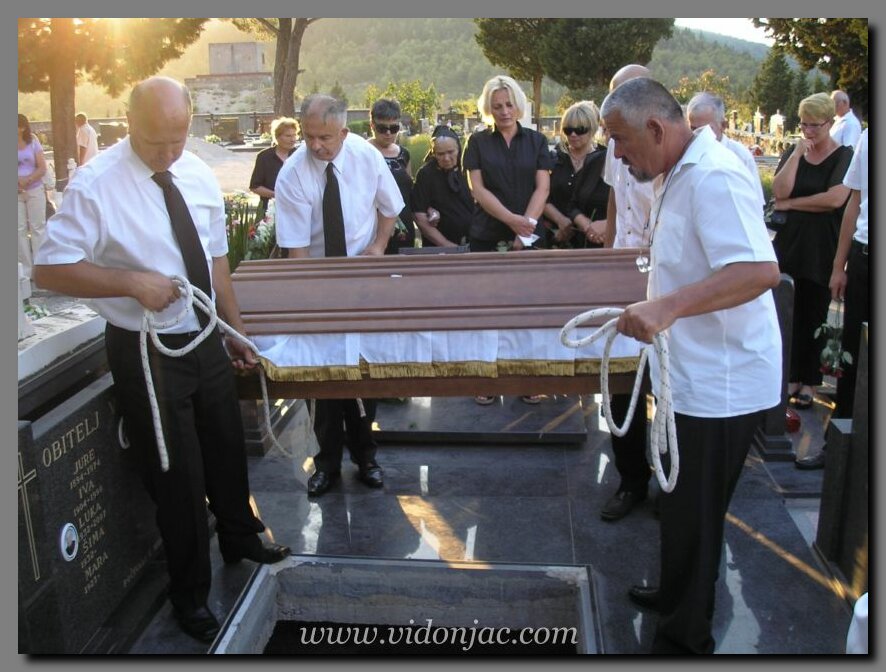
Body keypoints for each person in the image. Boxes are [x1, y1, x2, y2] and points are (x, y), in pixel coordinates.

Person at [33, 76, 290, 644]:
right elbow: (49, 268)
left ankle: (240, 535)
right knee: (178, 475)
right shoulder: (96, 184)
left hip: (205, 335)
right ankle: (190, 592)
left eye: (178, 139)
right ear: (129, 122)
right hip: (147, 348)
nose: (169, 153)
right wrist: (130, 282)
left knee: (225, 444)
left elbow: (216, 260)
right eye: (156, 143)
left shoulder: (194, 171)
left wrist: (235, 331)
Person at [601, 77, 782, 654]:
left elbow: (759, 271)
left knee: (695, 517)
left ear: (656, 128)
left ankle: (684, 640)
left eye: (621, 140)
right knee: (679, 507)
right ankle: (678, 594)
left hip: (720, 382)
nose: (617, 154)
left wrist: (667, 307)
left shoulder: (715, 175)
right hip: (687, 371)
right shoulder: (674, 172)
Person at [274, 94, 404, 497]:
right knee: (322, 377)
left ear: (344, 132)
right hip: (315, 281)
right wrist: (312, 305)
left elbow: (390, 207)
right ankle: (326, 463)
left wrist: (379, 247)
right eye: (309, 136)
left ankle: (367, 457)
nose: (315, 146)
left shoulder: (366, 157)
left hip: (362, 279)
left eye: (325, 138)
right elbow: (297, 252)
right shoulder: (292, 174)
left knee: (364, 373)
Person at [463, 74, 553, 406]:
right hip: (488, 235)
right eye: (497, 106)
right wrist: (512, 221)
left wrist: (525, 227)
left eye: (508, 104)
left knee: (529, 310)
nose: (503, 111)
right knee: (487, 311)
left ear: (518, 105)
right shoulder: (477, 143)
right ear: (488, 108)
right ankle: (487, 379)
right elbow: (477, 189)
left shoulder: (537, 141)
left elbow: (543, 188)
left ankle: (528, 379)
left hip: (529, 236)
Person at [598, 64, 655, 522]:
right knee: (621, 384)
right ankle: (631, 479)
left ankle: (670, 480)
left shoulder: (663, 149)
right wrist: (608, 255)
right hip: (621, 269)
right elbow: (615, 197)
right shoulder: (616, 146)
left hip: (661, 275)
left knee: (667, 387)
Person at [771, 93, 853, 412]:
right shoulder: (795, 151)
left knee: (814, 312)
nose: (808, 131)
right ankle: (790, 375)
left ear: (829, 123)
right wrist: (796, 155)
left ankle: (809, 380)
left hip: (821, 247)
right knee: (788, 311)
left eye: (814, 126)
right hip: (790, 244)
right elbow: (779, 190)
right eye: (804, 124)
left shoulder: (843, 156)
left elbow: (834, 199)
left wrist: (792, 204)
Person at [797, 127, 868, 470]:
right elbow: (855, 201)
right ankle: (838, 448)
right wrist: (839, 265)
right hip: (866, 254)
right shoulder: (869, 137)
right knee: (854, 357)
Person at [543, 101, 608, 249]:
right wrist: (559, 220)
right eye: (568, 129)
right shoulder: (554, 158)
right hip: (556, 237)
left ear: (592, 129)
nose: (573, 134)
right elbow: (541, 194)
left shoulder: (604, 159)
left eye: (580, 129)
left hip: (593, 238)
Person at [686, 92, 766, 211]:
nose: (697, 135)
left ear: (723, 125)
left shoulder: (740, 155)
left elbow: (756, 202)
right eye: (693, 129)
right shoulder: (687, 155)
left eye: (705, 130)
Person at [411, 125, 472, 248]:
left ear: (458, 149)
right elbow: (419, 216)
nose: (446, 158)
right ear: (433, 153)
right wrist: (446, 245)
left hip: (474, 242)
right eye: (440, 154)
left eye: (451, 152)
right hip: (438, 246)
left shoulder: (469, 169)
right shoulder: (426, 174)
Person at [368, 98, 416, 253]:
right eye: (382, 128)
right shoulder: (363, 153)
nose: (388, 133)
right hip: (374, 230)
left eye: (394, 128)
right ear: (372, 125)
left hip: (403, 229)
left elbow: (409, 191)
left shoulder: (404, 154)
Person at [18, 113, 48, 280]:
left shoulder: (33, 142)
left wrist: (28, 179)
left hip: (34, 188)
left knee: (37, 228)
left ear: (22, 128)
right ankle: (26, 271)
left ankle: (40, 269)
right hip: (16, 191)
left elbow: (42, 167)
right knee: (19, 229)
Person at [248, 116, 299, 213]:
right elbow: (255, 186)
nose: (293, 139)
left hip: (296, 209)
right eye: (288, 136)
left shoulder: (300, 157)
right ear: (277, 137)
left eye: (294, 135)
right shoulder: (264, 157)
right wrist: (278, 195)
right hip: (270, 210)